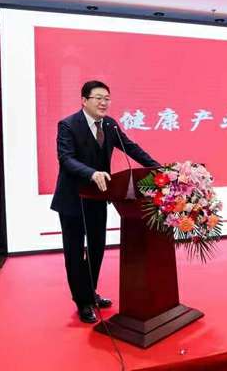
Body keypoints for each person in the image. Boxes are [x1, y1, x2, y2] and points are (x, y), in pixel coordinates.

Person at [51, 80, 160, 323]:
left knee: (97, 248)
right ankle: (82, 302)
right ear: (84, 100)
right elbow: (66, 159)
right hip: (72, 201)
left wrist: (159, 168)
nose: (104, 102)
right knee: (74, 252)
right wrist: (91, 173)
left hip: (97, 198)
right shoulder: (68, 125)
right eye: (98, 98)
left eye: (107, 98)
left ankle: (91, 292)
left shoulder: (110, 125)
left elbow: (131, 148)